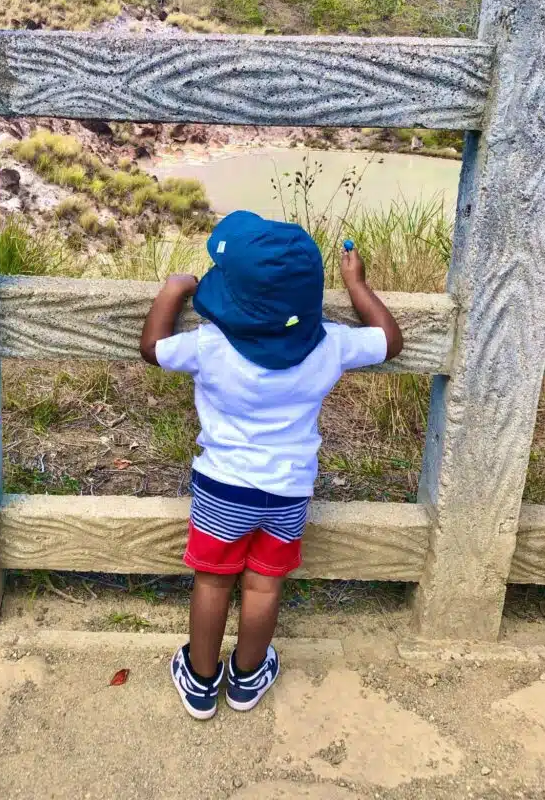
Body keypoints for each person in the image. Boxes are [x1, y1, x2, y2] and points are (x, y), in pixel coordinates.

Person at [139, 210, 403, 720]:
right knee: (263, 585)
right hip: (288, 493)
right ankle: (246, 677)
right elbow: (390, 340)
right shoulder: (330, 344)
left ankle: (199, 681)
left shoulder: (209, 346)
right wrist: (358, 285)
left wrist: (173, 291)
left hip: (222, 491)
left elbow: (153, 349)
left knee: (214, 582)